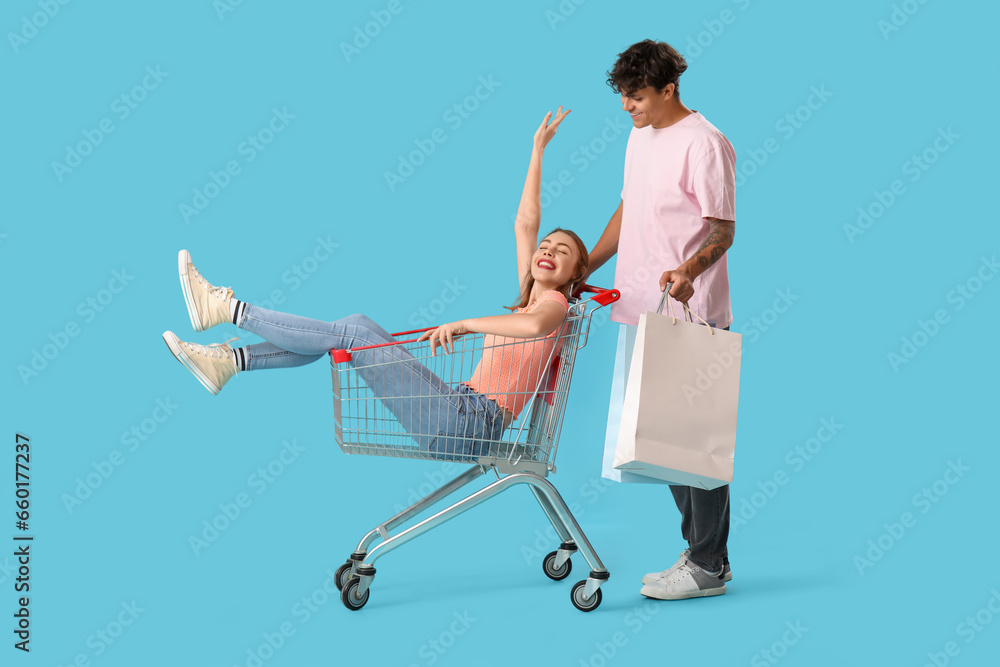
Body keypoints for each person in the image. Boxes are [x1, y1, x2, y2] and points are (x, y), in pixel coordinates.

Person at [162, 108, 589, 458]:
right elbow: (524, 223)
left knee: (349, 332)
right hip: (457, 406)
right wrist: (537, 151)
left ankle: (230, 311)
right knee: (354, 324)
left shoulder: (555, 306)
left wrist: (465, 323)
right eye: (546, 246)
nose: (548, 250)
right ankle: (232, 362)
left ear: (574, 275)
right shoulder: (525, 299)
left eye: (562, 252)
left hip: (468, 422)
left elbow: (535, 328)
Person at [587, 40, 737, 600]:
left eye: (638, 96)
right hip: (641, 308)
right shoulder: (639, 135)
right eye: (624, 96)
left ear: (668, 88)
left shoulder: (704, 144)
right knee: (664, 442)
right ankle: (703, 556)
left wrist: (689, 269)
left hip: (688, 312)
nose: (628, 106)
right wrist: (586, 268)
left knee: (697, 442)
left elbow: (723, 230)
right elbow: (630, 207)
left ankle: (707, 564)